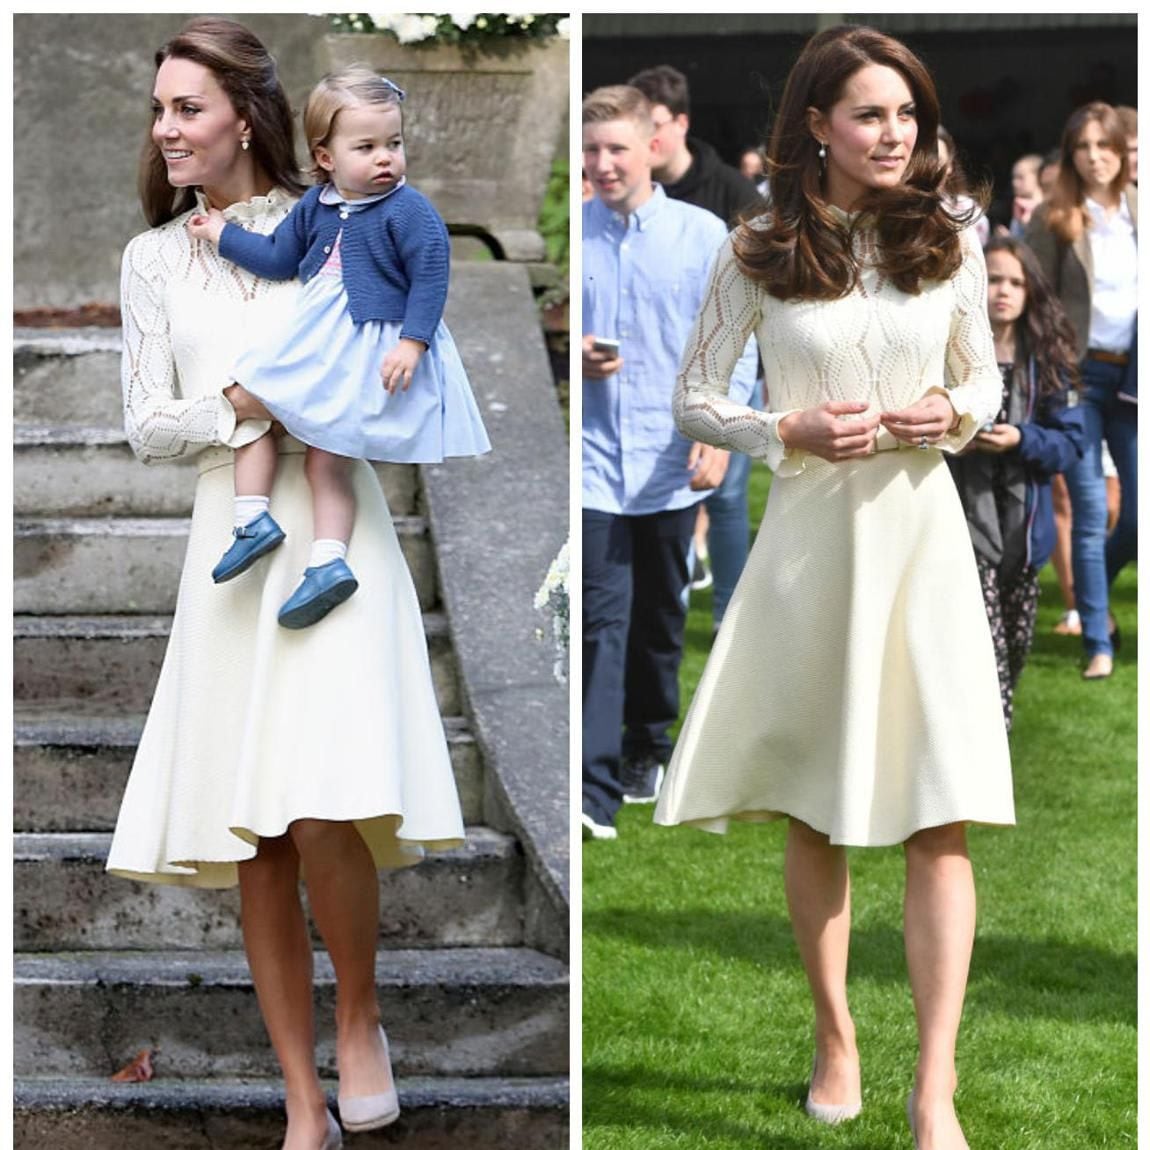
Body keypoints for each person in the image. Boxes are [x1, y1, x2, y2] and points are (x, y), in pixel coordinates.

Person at [109, 18, 467, 1150]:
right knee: (255, 832)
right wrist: (245, 407)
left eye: (188, 108)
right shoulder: (155, 257)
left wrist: (337, 386)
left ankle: (358, 1019)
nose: (167, 128)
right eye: (159, 108)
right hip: (232, 528)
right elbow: (145, 425)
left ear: (248, 116)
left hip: (334, 525)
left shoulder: (335, 220)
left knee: (322, 806)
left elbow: (401, 343)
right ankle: (301, 1098)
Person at [653, 26, 1013, 1150]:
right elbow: (694, 396)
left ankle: (933, 1091)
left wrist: (946, 415)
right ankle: (836, 1038)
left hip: (920, 543)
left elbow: (980, 371)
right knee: (816, 807)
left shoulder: (953, 231)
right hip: (810, 547)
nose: (892, 133)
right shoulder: (753, 242)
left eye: (905, 114)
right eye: (868, 114)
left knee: (937, 811)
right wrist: (784, 428)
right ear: (816, 126)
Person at [188, 67, 489, 629]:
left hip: (367, 347)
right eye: (367, 147)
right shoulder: (317, 207)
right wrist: (221, 235)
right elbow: (278, 257)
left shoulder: (408, 210)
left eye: (394, 144)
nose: (386, 159)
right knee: (250, 406)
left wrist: (412, 342)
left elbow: (431, 275)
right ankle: (253, 520)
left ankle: (327, 560)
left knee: (327, 459)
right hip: (318, 341)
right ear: (325, 158)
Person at [581, 84, 756, 834]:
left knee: (659, 617)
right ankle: (592, 793)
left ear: (652, 147)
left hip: (671, 455)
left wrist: (717, 435)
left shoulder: (702, 234)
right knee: (600, 616)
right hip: (592, 462)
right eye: (590, 151)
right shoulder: (577, 230)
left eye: (615, 148)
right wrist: (573, 353)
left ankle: (646, 746)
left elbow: (736, 343)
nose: (601, 163)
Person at [628, 63, 766, 633]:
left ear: (680, 123)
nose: (645, 141)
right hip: (650, 373)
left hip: (727, 367)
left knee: (726, 495)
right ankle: (660, 611)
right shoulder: (627, 197)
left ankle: (733, 616)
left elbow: (762, 289)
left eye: (653, 125)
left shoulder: (730, 195)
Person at [946, 236, 1084, 729]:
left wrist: (1020, 439)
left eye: (1016, 282)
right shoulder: (950, 350)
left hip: (1024, 532)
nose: (1003, 291)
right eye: (995, 280)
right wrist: (950, 440)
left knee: (1016, 648)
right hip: (963, 521)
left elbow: (1070, 443)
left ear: (1030, 293)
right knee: (988, 656)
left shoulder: (1045, 358)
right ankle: (987, 750)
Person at [1025, 101, 1137, 680]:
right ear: (1071, 154)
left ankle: (1099, 586)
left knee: (1138, 515)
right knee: (1091, 511)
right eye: (1083, 147)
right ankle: (1098, 639)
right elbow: (1026, 294)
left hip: (1134, 378)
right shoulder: (1054, 216)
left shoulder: (1140, 210)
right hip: (1078, 378)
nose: (1095, 157)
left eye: (1105, 145)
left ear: (1122, 150)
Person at [1007, 153, 1044, 236]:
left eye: (1020, 177)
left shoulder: (1048, 208)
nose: (1014, 183)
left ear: (1038, 176)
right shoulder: (1019, 208)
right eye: (1014, 177)